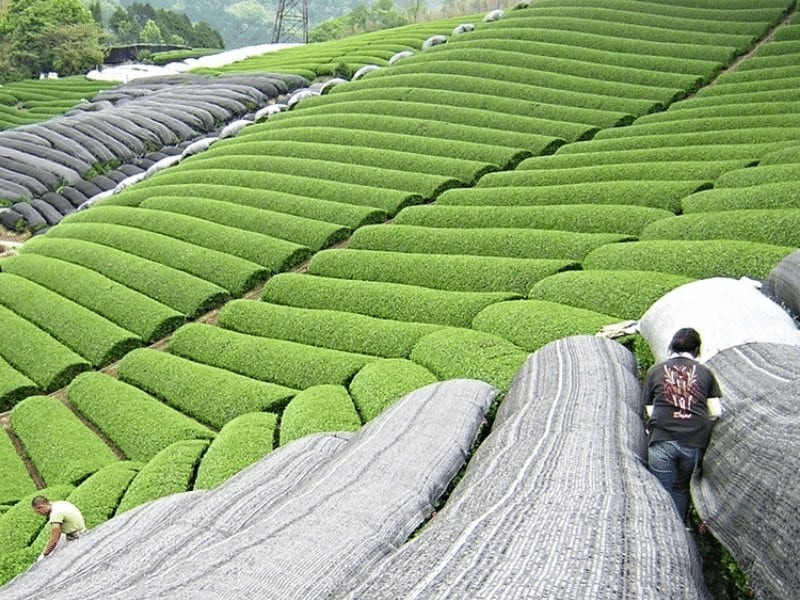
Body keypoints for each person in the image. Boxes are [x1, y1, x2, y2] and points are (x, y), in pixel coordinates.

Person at [641, 327, 722, 524]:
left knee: (661, 490)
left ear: (672, 347)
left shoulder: (656, 371)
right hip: (693, 440)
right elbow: (716, 411)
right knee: (681, 488)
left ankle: (661, 531)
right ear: (697, 349)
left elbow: (650, 408)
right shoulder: (705, 373)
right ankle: (681, 530)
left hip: (662, 438)